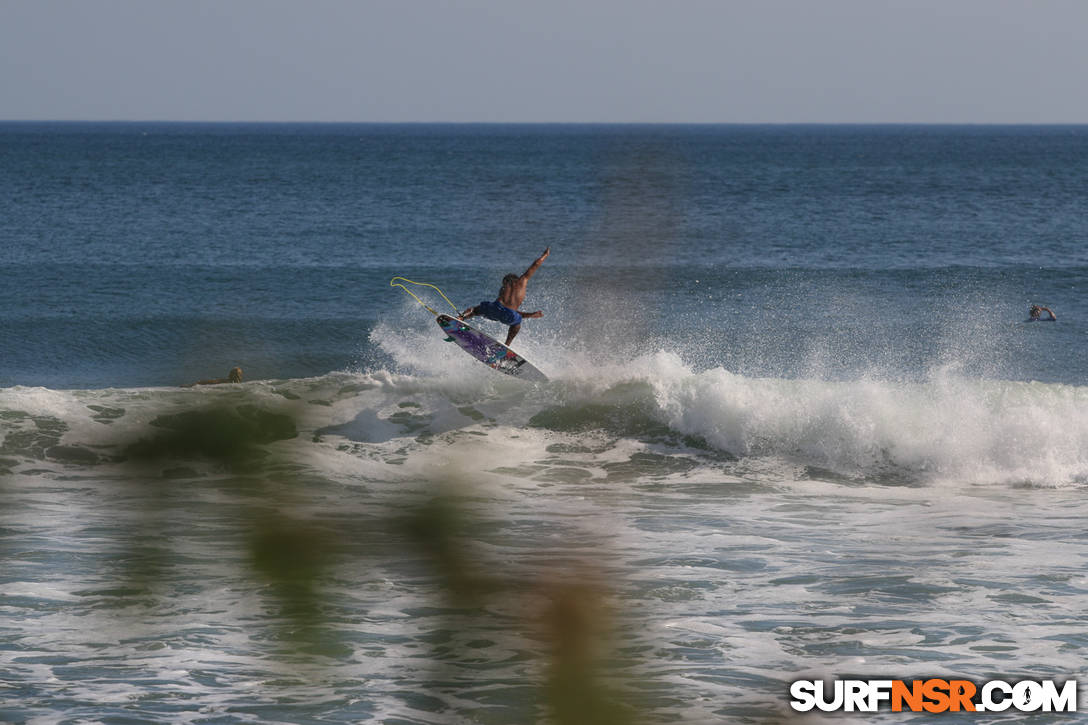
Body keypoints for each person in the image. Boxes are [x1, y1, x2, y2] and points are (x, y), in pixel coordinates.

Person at [459, 247, 550, 346]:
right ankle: (506, 345)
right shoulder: (522, 281)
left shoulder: (504, 288)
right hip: (509, 316)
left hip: (494, 309)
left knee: (474, 310)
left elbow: (502, 308)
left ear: (506, 281)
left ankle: (461, 318)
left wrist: (530, 314)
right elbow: (535, 264)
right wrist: (545, 255)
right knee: (517, 324)